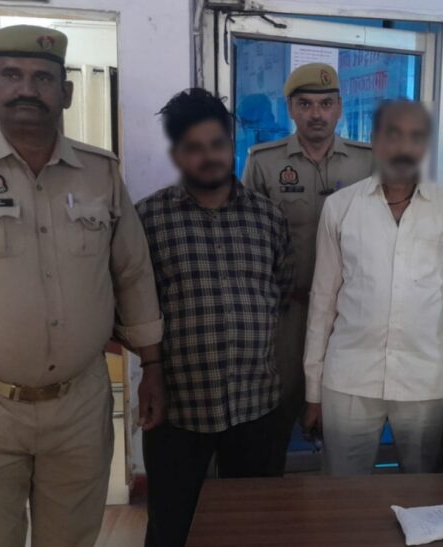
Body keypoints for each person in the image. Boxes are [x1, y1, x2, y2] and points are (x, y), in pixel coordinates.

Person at [0, 25, 163, 547]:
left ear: (67, 92)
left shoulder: (100, 173)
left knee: (73, 538)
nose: (26, 89)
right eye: (12, 75)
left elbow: (132, 272)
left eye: (42, 78)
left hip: (79, 403)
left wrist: (152, 368)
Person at [136, 89, 293, 546]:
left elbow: (280, 292)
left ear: (231, 144)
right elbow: (133, 307)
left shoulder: (269, 218)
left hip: (255, 402)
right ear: (177, 153)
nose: (209, 157)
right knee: (170, 527)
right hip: (178, 406)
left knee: (254, 526)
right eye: (194, 147)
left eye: (217, 144)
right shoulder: (147, 220)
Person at [302, 100, 443, 475]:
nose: (403, 146)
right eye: (393, 135)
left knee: (422, 494)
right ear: (375, 141)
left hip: (426, 380)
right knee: (344, 495)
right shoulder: (341, 207)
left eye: (414, 137)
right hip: (349, 377)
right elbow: (322, 304)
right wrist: (313, 391)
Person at [242, 63, 373, 468]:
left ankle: (340, 497)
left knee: (346, 413)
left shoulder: (367, 163)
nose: (317, 114)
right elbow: (248, 238)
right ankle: (270, 493)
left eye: (326, 104)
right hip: (287, 313)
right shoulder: (264, 163)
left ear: (340, 108)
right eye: (306, 104)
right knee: (275, 410)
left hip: (348, 315)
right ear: (290, 109)